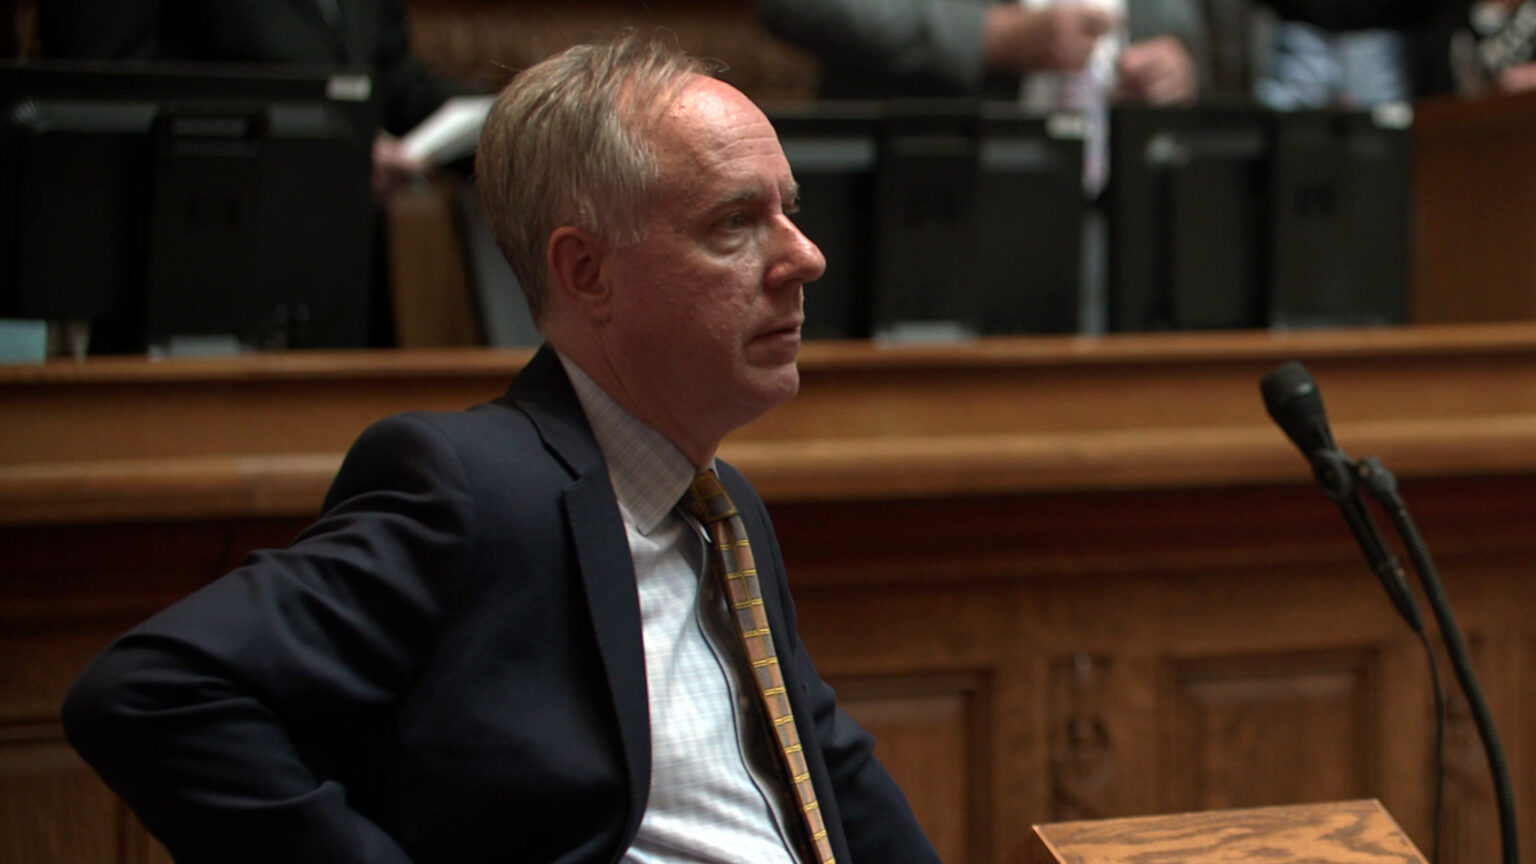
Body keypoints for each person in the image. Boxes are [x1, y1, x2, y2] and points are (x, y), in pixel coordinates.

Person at [59, 31, 943, 864]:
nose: (807, 257)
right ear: (585, 271)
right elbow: (150, 693)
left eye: (788, 211)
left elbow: (829, 770)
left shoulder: (719, 502)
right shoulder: (471, 487)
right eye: (733, 224)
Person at [36, 0, 457, 196]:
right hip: (195, 250)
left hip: (342, 270)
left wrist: (508, 114)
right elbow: (100, 97)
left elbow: (396, 83)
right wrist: (318, 152)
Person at [758, 0, 1207, 105]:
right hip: (937, 198)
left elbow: (1180, 25)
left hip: (1124, 207)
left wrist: (1179, 63)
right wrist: (990, 37)